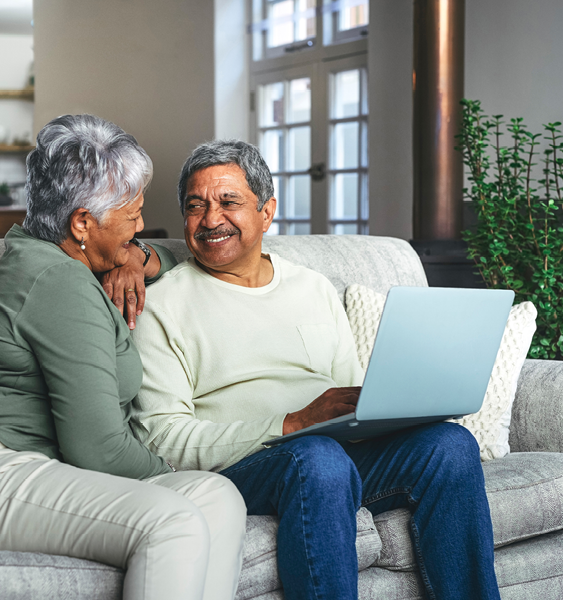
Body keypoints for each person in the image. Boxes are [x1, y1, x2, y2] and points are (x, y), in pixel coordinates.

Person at [130, 139, 502, 600]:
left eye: (228, 202)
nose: (210, 219)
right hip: (242, 469)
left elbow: (347, 400)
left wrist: (399, 410)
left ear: (266, 213)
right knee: (318, 458)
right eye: (195, 205)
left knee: (449, 445)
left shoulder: (313, 287)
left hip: (330, 455)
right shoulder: (161, 304)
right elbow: (161, 438)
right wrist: (292, 423)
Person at [0, 116, 247, 600]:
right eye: (132, 215)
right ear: (82, 222)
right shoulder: (58, 281)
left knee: (216, 496)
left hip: (22, 467)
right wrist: (167, 474)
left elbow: (173, 257)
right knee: (173, 521)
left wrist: (135, 254)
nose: (141, 225)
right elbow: (98, 448)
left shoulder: (64, 259)